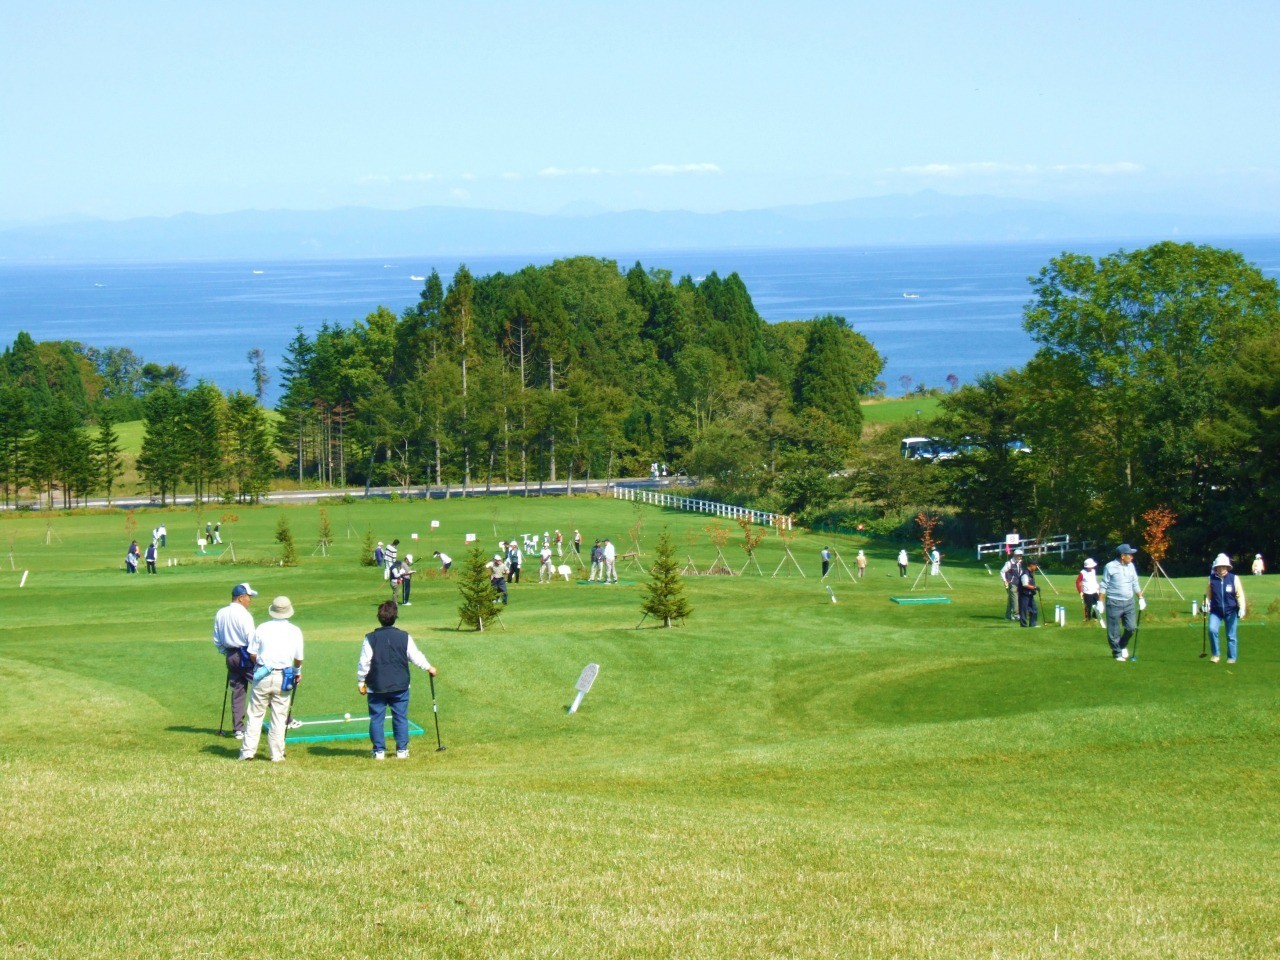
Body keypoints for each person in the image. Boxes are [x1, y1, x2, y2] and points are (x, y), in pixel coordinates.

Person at [357, 600, 437, 760]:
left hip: (376, 685)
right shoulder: (404, 636)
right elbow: (415, 656)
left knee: (376, 718)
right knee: (400, 716)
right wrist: (429, 667)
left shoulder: (370, 638)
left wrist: (361, 681)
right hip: (400, 685)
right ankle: (402, 750)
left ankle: (378, 751)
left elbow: (364, 662)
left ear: (379, 618)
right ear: (395, 617)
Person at [239, 596, 304, 762]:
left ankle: (248, 752)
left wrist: (261, 662)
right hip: (284, 675)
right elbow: (298, 658)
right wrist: (297, 671)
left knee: (255, 714)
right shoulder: (295, 630)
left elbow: (252, 653)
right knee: (279, 716)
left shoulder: (262, 628)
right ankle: (276, 754)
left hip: (262, 673)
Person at [213, 582, 258, 740]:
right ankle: (285, 720)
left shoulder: (221, 613)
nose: (250, 600)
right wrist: (258, 658)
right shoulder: (244, 615)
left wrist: (227, 653)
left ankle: (238, 729)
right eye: (248, 597)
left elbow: (217, 639)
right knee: (263, 685)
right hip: (246, 655)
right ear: (240, 598)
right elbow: (251, 639)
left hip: (230, 655)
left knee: (238, 690)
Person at [1098, 543, 1145, 661]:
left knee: (1131, 628)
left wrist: (1140, 598)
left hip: (1129, 602)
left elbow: (1135, 582)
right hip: (1114, 602)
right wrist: (1100, 601)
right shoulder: (1110, 566)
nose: (1132, 557)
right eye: (1130, 555)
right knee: (1114, 631)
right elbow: (1104, 584)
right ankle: (1117, 653)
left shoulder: (1131, 566)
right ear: (1122, 556)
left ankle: (1122, 645)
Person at [1205, 553, 1246, 664]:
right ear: (1216, 567)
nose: (1221, 568)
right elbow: (1208, 595)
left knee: (1231, 635)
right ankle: (1215, 655)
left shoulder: (1234, 578)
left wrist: (1242, 608)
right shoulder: (1211, 579)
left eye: (1223, 566)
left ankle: (1231, 657)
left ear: (1227, 567)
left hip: (1231, 611)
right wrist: (1206, 604)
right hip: (1216, 611)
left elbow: (1240, 595)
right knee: (1212, 630)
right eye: (1219, 566)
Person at [1000, 549, 1024, 621]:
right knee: (1015, 599)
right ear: (1014, 555)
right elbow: (1002, 572)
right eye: (1018, 556)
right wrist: (1005, 581)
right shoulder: (1009, 563)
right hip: (1012, 583)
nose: (1019, 557)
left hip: (1019, 583)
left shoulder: (1020, 563)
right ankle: (1016, 615)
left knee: (1011, 599)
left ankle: (1008, 616)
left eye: (1020, 555)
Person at [1018, 560, 1041, 627]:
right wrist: (1034, 587)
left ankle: (1033, 624)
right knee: (1023, 610)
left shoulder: (1030, 573)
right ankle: (1024, 625)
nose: (1036, 567)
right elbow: (1025, 584)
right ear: (1031, 565)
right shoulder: (1025, 574)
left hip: (1030, 594)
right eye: (1035, 566)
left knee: (1034, 609)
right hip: (1024, 594)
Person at [1076, 558, 1100, 623]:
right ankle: (1088, 619)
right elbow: (1078, 582)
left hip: (1094, 591)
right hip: (1087, 592)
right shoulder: (1082, 573)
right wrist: (1080, 591)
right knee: (1088, 606)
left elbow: (1094, 580)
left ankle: (1095, 616)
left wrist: (1097, 588)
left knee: (1098, 604)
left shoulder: (1093, 571)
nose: (1092, 567)